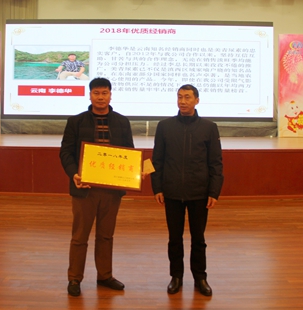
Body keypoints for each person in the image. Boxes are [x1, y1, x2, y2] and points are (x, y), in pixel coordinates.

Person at [59, 77, 134, 297]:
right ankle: (75, 278)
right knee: (79, 236)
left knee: (106, 236)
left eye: (104, 93)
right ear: (89, 95)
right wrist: (74, 174)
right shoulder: (76, 121)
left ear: (110, 95)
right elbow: (66, 152)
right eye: (96, 93)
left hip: (111, 190)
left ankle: (105, 276)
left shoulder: (122, 122)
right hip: (84, 189)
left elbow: (129, 153)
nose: (100, 97)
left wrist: (133, 175)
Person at [151, 84, 224, 297]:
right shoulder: (164, 126)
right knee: (174, 238)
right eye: (180, 97)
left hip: (199, 192)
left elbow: (216, 162)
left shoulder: (209, 127)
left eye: (187, 97)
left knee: (198, 238)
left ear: (197, 100)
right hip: (172, 191)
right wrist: (157, 187)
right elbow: (157, 160)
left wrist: (214, 191)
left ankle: (200, 277)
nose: (182, 101)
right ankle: (176, 276)